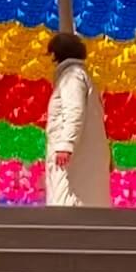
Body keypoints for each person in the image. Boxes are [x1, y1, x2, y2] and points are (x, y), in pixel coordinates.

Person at [44, 31, 112, 208]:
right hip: (86, 154)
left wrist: (66, 144)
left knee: (67, 202)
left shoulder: (71, 77)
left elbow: (74, 111)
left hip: (75, 157)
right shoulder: (83, 76)